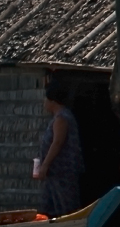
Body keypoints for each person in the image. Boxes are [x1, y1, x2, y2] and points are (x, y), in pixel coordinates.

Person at [35, 81, 84, 217]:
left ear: (52, 100)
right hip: (56, 174)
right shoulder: (59, 117)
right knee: (52, 208)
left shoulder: (62, 118)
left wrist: (45, 165)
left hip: (62, 172)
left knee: (65, 207)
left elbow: (57, 143)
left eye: (45, 99)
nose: (44, 102)